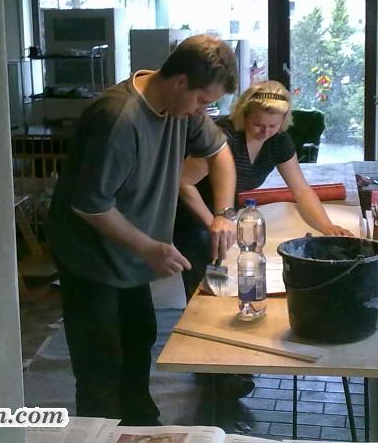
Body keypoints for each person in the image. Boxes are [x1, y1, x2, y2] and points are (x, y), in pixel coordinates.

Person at [47, 35, 238, 425]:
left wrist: (223, 214)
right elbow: (91, 205)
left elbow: (219, 152)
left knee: (138, 339)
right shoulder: (119, 118)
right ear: (181, 82)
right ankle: (100, 430)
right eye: (203, 100)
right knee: (100, 363)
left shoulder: (181, 108)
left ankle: (141, 425)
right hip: (90, 258)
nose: (203, 110)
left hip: (132, 255)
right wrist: (149, 248)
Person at [174, 79, 355, 301]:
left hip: (226, 209)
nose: (265, 132)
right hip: (188, 209)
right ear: (244, 115)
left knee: (231, 274)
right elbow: (182, 182)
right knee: (205, 286)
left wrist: (326, 225)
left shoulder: (278, 141)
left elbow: (300, 189)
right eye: (258, 124)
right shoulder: (223, 138)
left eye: (273, 125)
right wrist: (212, 223)